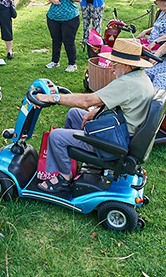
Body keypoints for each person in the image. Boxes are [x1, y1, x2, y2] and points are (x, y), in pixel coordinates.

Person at [35, 39, 154, 192]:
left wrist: (53, 98)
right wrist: (96, 112)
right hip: (121, 129)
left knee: (56, 136)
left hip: (115, 141)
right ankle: (68, 161)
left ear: (127, 65)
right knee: (74, 114)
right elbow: (120, 104)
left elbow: (86, 100)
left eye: (114, 64)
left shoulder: (127, 84)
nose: (112, 69)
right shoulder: (140, 77)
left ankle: (63, 178)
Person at [46, 0, 82, 72]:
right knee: (56, 40)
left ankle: (72, 63)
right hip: (54, 16)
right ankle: (55, 61)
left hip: (70, 17)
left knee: (68, 41)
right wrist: (53, 1)